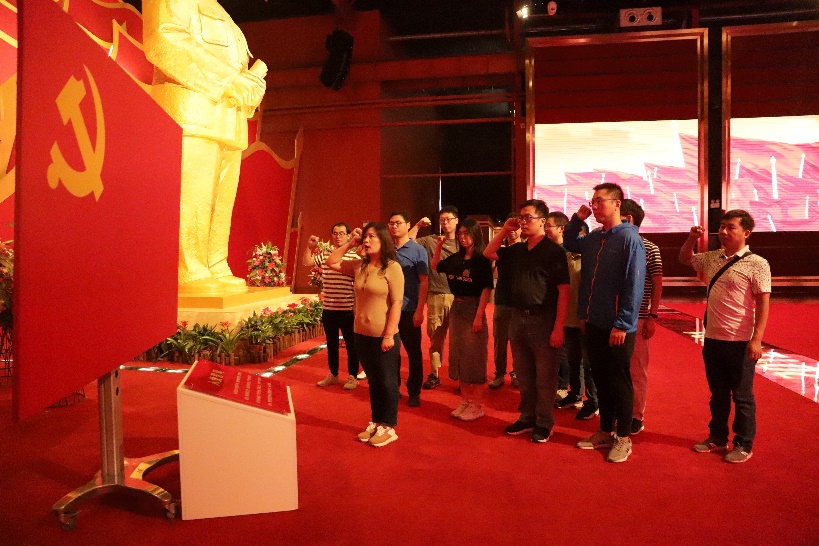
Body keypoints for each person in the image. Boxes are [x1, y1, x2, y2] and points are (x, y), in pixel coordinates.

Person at [143, 0, 266, 295]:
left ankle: (215, 263)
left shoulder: (222, 13)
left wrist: (249, 87)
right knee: (192, 196)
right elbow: (164, 38)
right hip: (191, 111)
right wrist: (229, 80)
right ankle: (190, 270)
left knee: (220, 201)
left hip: (228, 118)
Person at [679, 209, 770, 464]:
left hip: (741, 341)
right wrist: (691, 238)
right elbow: (685, 258)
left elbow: (763, 303)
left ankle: (743, 443)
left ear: (746, 232)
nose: (724, 232)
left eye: (731, 227)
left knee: (742, 396)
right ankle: (718, 436)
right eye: (722, 226)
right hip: (713, 339)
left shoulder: (758, 263)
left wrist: (757, 339)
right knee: (717, 393)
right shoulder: (713, 258)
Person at [564, 183, 645, 463]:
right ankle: (605, 430)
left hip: (617, 327)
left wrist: (622, 324)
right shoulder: (595, 237)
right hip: (594, 322)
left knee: (619, 382)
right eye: (593, 202)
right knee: (600, 378)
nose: (595, 206)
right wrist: (577, 219)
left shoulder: (629, 238)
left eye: (600, 201)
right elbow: (570, 243)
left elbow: (634, 285)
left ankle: (623, 437)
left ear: (617, 204)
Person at [485, 200, 570, 443]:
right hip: (518, 318)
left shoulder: (554, 252)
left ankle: (544, 421)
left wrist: (558, 328)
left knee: (545, 377)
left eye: (528, 217)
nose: (523, 222)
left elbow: (564, 291)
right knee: (524, 374)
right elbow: (488, 252)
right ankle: (527, 416)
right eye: (521, 217)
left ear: (543, 221)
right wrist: (505, 230)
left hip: (544, 320)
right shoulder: (518, 251)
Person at [326, 223, 404, 448]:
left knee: (387, 381)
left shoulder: (392, 268)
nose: (367, 241)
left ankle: (388, 426)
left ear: (383, 240)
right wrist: (351, 243)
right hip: (360, 334)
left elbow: (397, 303)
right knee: (374, 381)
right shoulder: (360, 265)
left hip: (383, 335)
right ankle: (377, 421)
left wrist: (389, 335)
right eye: (365, 237)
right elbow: (331, 261)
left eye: (372, 237)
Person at [433, 219, 494, 421]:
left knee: (474, 357)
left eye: (467, 233)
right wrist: (439, 246)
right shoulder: (456, 258)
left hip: (473, 307)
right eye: (460, 234)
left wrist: (479, 315)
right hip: (457, 308)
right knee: (459, 355)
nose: (462, 237)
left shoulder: (482, 260)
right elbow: (435, 266)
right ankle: (465, 401)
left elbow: (486, 289)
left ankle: (476, 405)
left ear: (476, 234)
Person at [546, 213, 599, 419]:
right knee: (573, 360)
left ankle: (594, 401)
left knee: (589, 364)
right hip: (568, 317)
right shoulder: (564, 257)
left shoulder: (590, 258)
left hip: (585, 318)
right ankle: (575, 394)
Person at [619, 199, 663, 435]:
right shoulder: (609, 245)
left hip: (639, 318)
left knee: (636, 370)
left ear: (629, 218)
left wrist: (652, 316)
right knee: (615, 369)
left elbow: (657, 283)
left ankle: (635, 415)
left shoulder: (650, 248)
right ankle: (617, 412)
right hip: (610, 317)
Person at [302, 223, 361, 389]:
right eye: (335, 233)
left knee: (352, 346)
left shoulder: (354, 255)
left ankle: (352, 377)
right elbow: (307, 262)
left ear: (348, 236)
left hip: (348, 309)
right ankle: (334, 375)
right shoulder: (326, 253)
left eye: (342, 233)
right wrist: (309, 247)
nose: (338, 236)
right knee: (331, 345)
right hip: (329, 308)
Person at [410, 206, 460, 389]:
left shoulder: (463, 242)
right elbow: (408, 242)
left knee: (458, 339)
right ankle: (434, 374)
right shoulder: (431, 240)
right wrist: (418, 225)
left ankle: (460, 376)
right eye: (442, 220)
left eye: (449, 219)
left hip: (458, 297)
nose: (445, 223)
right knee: (435, 338)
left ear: (456, 220)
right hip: (435, 295)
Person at [388, 212, 429, 407]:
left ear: (407, 225)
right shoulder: (387, 249)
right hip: (389, 310)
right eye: (391, 223)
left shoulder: (418, 250)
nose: (394, 226)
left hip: (409, 309)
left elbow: (424, 282)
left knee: (413, 353)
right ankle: (393, 389)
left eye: (398, 223)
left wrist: (420, 310)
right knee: (391, 352)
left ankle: (414, 392)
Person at [488, 213, 521, 390]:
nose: (514, 231)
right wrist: (504, 230)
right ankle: (499, 373)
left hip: (520, 304)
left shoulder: (527, 250)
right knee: (500, 342)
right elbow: (487, 252)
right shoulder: (503, 251)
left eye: (517, 226)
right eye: (511, 227)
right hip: (502, 301)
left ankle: (517, 373)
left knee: (518, 342)